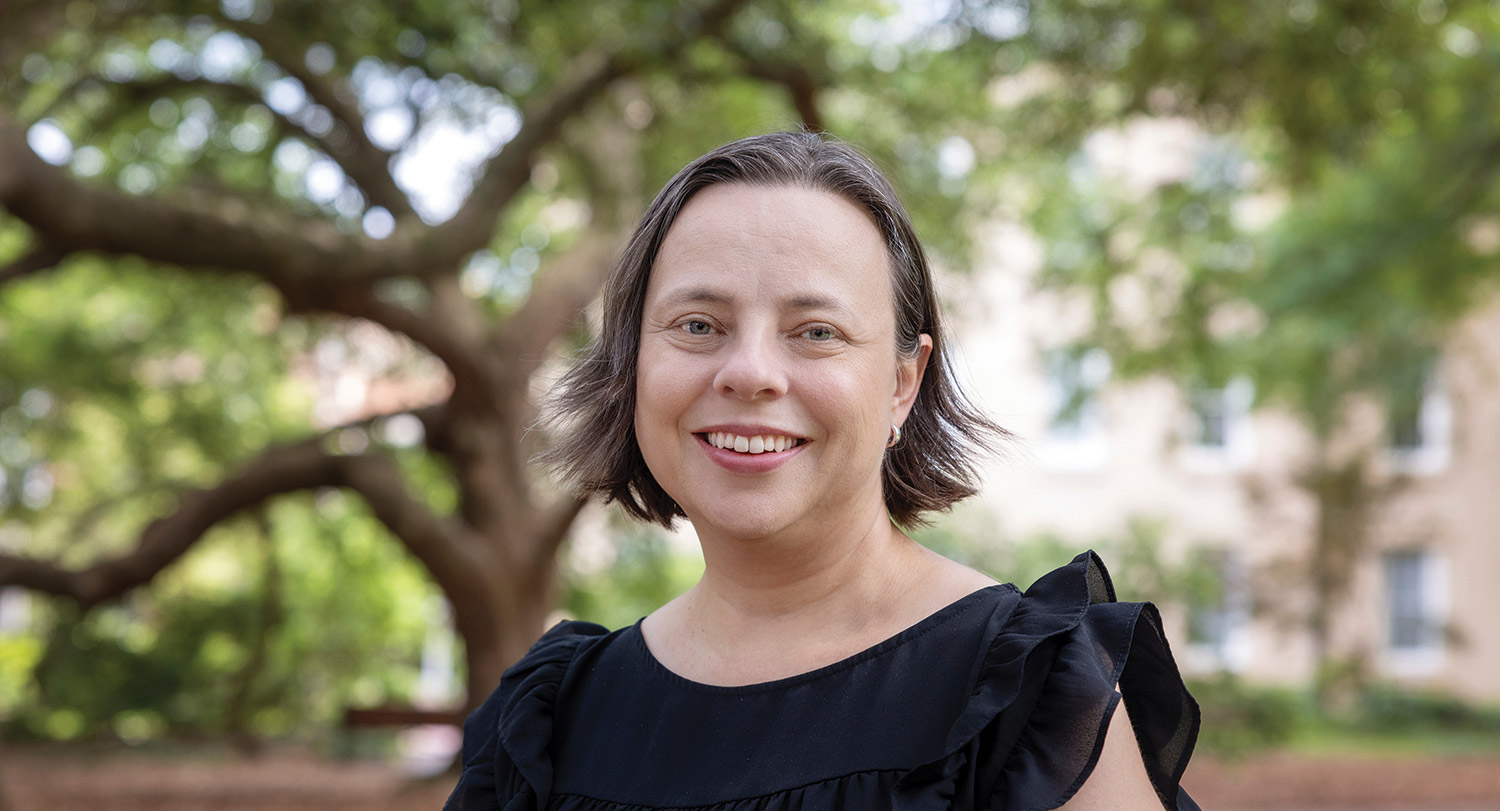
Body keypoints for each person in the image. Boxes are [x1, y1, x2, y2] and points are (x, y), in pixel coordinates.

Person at [444, 131, 1200, 811]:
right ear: (634, 362)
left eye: (816, 332)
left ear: (903, 382)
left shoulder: (1026, 701)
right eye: (698, 324)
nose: (750, 373)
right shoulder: (550, 717)